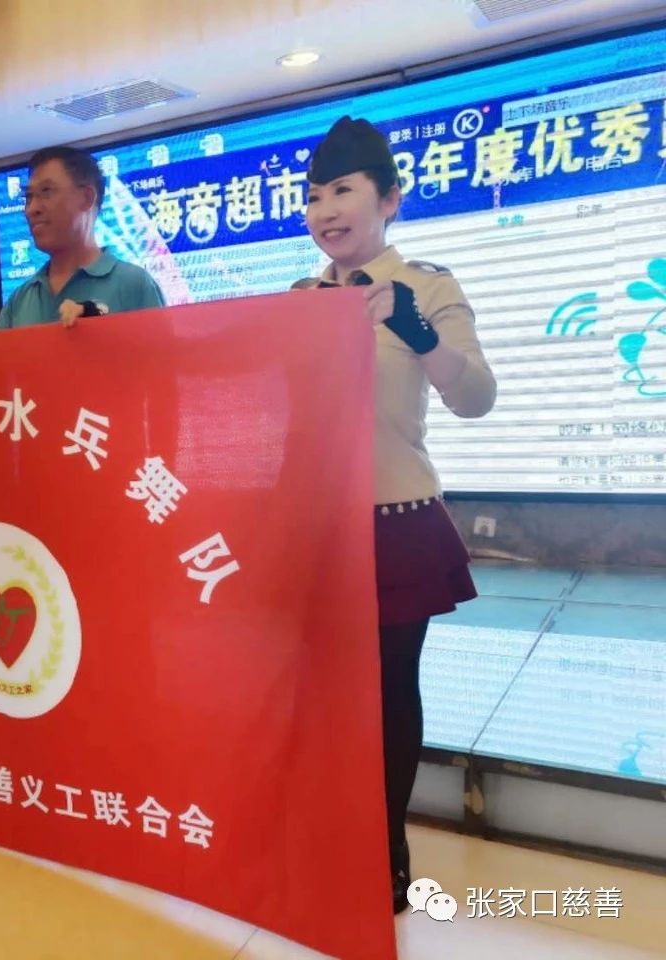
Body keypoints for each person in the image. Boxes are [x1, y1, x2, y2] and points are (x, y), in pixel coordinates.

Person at [294, 116, 497, 913]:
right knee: (322, 694)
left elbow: (476, 398)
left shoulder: (428, 287)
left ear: (389, 199)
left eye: (342, 191)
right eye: (314, 196)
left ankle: (386, 850)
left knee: (387, 689)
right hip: (315, 528)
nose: (325, 210)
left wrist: (417, 335)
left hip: (394, 518)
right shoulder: (299, 299)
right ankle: (329, 830)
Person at [0, 145, 165, 337]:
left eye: (46, 192)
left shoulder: (135, 285)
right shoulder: (21, 299)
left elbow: (162, 370)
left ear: (86, 198)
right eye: (28, 197)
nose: (31, 209)